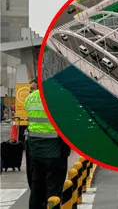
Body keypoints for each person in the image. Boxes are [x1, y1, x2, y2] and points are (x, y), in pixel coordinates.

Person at [24, 81, 71, 209]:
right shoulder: (57, 98)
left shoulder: (30, 98)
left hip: (35, 150)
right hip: (55, 150)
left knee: (36, 187)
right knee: (53, 189)